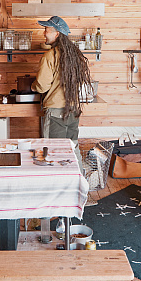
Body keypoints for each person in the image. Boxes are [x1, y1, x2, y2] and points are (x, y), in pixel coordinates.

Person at [32, 16, 92, 168]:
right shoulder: (76, 56)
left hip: (56, 113)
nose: (44, 34)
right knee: (73, 148)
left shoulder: (49, 56)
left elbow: (42, 86)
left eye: (46, 30)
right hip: (73, 111)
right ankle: (80, 181)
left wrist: (33, 86)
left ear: (56, 34)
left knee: (52, 151)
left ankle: (55, 186)